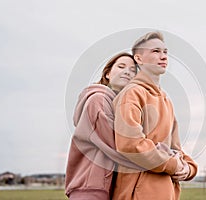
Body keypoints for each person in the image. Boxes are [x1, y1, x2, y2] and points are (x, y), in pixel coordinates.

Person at [112, 31, 198, 200]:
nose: (163, 56)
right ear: (139, 59)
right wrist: (172, 165)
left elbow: (175, 149)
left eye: (165, 52)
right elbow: (130, 145)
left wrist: (189, 168)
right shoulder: (132, 93)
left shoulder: (165, 99)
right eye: (155, 51)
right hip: (136, 194)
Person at [65, 52, 138, 200]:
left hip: (104, 188)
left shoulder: (121, 108)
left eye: (133, 70)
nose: (127, 71)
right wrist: (163, 161)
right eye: (121, 66)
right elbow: (120, 146)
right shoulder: (98, 100)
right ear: (108, 74)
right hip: (90, 188)